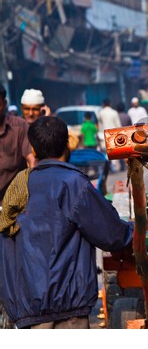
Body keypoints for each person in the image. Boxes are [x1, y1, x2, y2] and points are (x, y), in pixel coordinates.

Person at [0, 116, 134, 329]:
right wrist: (135, 230)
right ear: (67, 145)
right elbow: (112, 235)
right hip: (68, 311)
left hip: (27, 314)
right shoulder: (73, 183)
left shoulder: (18, 187)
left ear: (33, 150)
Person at [0, 85, 35, 202]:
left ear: (4, 104)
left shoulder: (20, 126)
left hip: (12, 202)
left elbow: (31, 159)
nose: (31, 113)